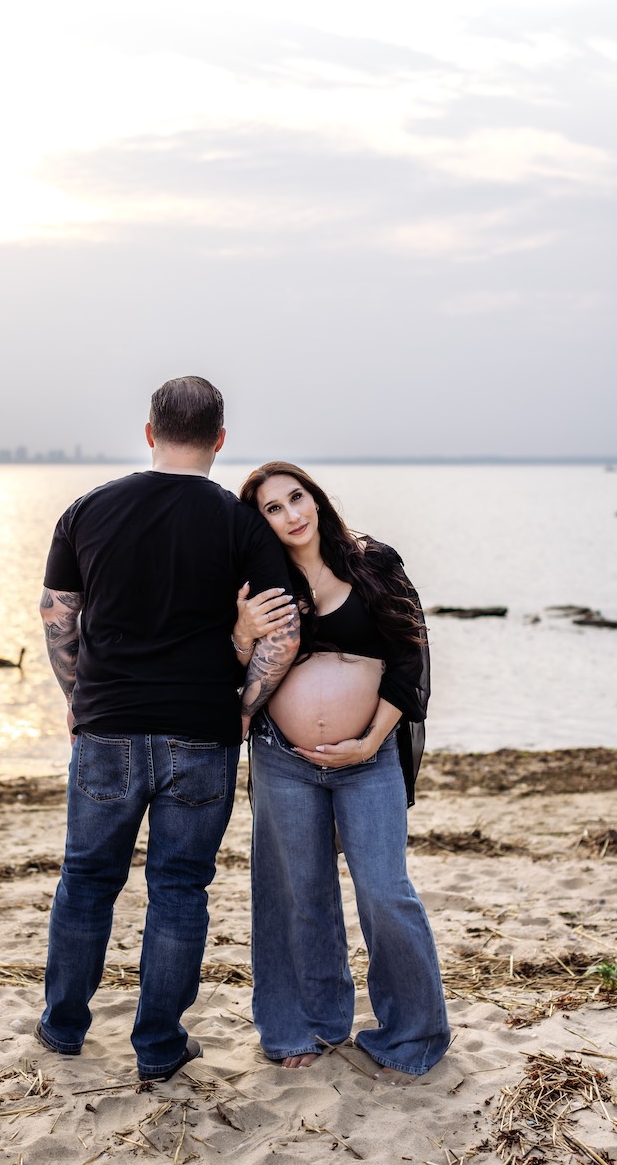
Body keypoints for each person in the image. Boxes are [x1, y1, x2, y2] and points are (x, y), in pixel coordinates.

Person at [36, 379, 300, 1082]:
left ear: (149, 432)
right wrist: (246, 701)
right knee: (179, 889)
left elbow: (57, 616)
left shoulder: (87, 510)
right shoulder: (241, 524)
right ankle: (158, 1046)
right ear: (219, 438)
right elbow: (283, 629)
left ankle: (63, 1029)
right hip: (201, 732)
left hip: (107, 729)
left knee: (87, 881)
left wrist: (78, 696)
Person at [237, 462, 450, 1083]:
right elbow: (235, 664)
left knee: (386, 891)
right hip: (283, 758)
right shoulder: (259, 584)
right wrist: (242, 629)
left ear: (316, 497)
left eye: (295, 498)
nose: (290, 515)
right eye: (272, 510)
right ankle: (307, 1024)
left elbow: (411, 654)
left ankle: (412, 1031)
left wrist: (369, 741)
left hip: (370, 758)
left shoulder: (374, 560)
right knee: (296, 893)